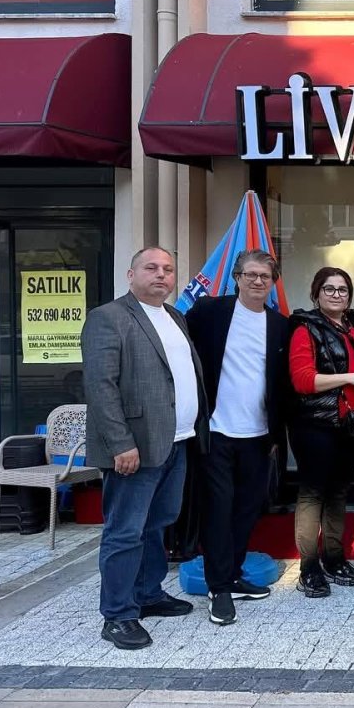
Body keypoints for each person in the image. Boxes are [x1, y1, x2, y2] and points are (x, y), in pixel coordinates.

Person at [82, 246, 207, 650]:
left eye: (168, 269)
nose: (161, 275)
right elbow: (100, 387)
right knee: (125, 532)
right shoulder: (108, 318)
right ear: (131, 274)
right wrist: (121, 443)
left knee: (157, 524)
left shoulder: (174, 316)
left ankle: (148, 593)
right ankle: (118, 615)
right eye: (151, 268)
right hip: (135, 447)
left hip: (177, 441)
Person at [185, 249, 291, 626]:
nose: (258, 281)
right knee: (218, 509)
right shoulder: (209, 312)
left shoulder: (280, 325)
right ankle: (218, 588)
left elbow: (282, 384)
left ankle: (232, 574)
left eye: (265, 276)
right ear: (237, 278)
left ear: (272, 282)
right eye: (251, 275)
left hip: (259, 436)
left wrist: (277, 433)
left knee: (247, 510)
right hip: (216, 431)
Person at [288, 266, 354, 598]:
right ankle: (309, 568)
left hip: (351, 425)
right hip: (315, 425)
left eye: (343, 290)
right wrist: (351, 378)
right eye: (329, 289)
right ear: (316, 293)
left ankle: (335, 559)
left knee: (339, 493)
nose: (336, 295)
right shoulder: (305, 328)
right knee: (313, 495)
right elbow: (303, 380)